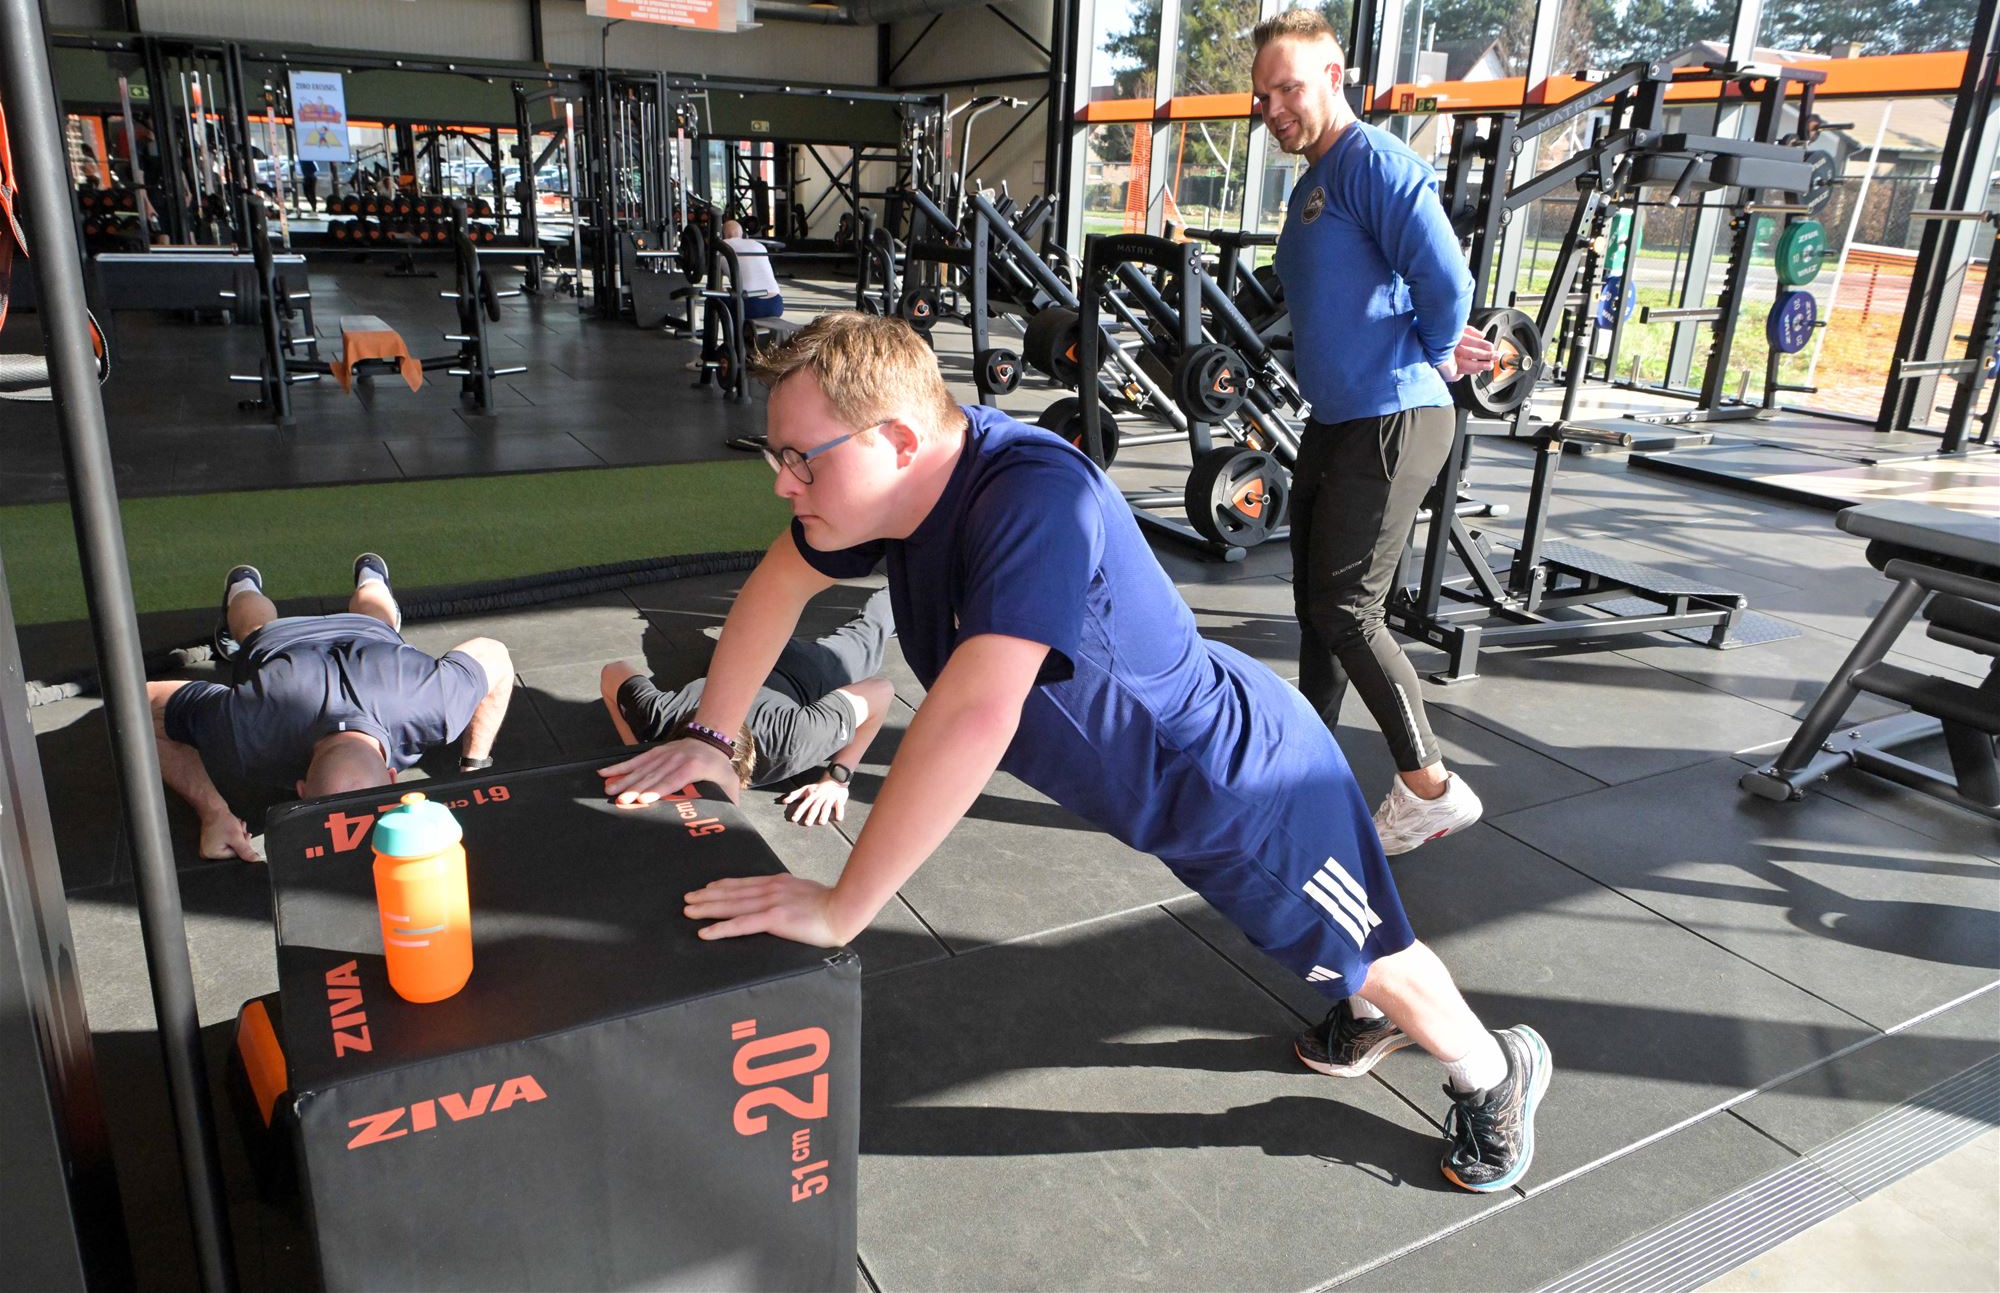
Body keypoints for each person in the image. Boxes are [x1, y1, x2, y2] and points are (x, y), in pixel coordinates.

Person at [598, 313, 1552, 1194]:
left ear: (896, 440)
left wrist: (844, 905)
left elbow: (975, 714)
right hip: (1167, 785)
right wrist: (713, 740)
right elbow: (779, 580)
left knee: (1375, 949)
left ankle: (1493, 1069)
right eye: (778, 457)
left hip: (1243, 788)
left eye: (801, 460)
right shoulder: (906, 488)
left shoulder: (1032, 496)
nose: (783, 484)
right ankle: (1369, 1006)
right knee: (1329, 945)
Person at [1253, 9, 1497, 856]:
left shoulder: (1376, 164)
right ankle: (1307, 776)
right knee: (1315, 609)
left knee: (1349, 610)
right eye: (1262, 96)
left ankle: (1431, 788)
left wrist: (1436, 349)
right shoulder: (1315, 179)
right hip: (1337, 419)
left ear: (1333, 76)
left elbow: (1446, 279)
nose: (1273, 108)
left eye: (1287, 87)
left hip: (1394, 417)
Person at [147, 555, 514, 863]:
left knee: (362, 623)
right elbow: (494, 652)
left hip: (333, 641)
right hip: (300, 641)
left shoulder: (434, 703)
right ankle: (250, 584)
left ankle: (258, 583)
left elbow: (143, 707)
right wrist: (212, 811)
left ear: (302, 789)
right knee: (255, 630)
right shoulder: (246, 727)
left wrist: (474, 772)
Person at [598, 589, 896, 826]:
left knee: (866, 631)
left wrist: (837, 778)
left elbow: (881, 691)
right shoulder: (655, 716)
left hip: (811, 669)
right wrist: (639, 750)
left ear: (742, 779)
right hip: (741, 658)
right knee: (753, 624)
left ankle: (902, 585)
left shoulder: (795, 740)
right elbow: (613, 672)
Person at [721, 218, 784, 321]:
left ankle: (719, 331)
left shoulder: (722, 247)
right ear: (742, 234)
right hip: (776, 304)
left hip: (751, 305)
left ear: (723, 235)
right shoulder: (759, 245)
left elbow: (715, 283)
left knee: (714, 298)